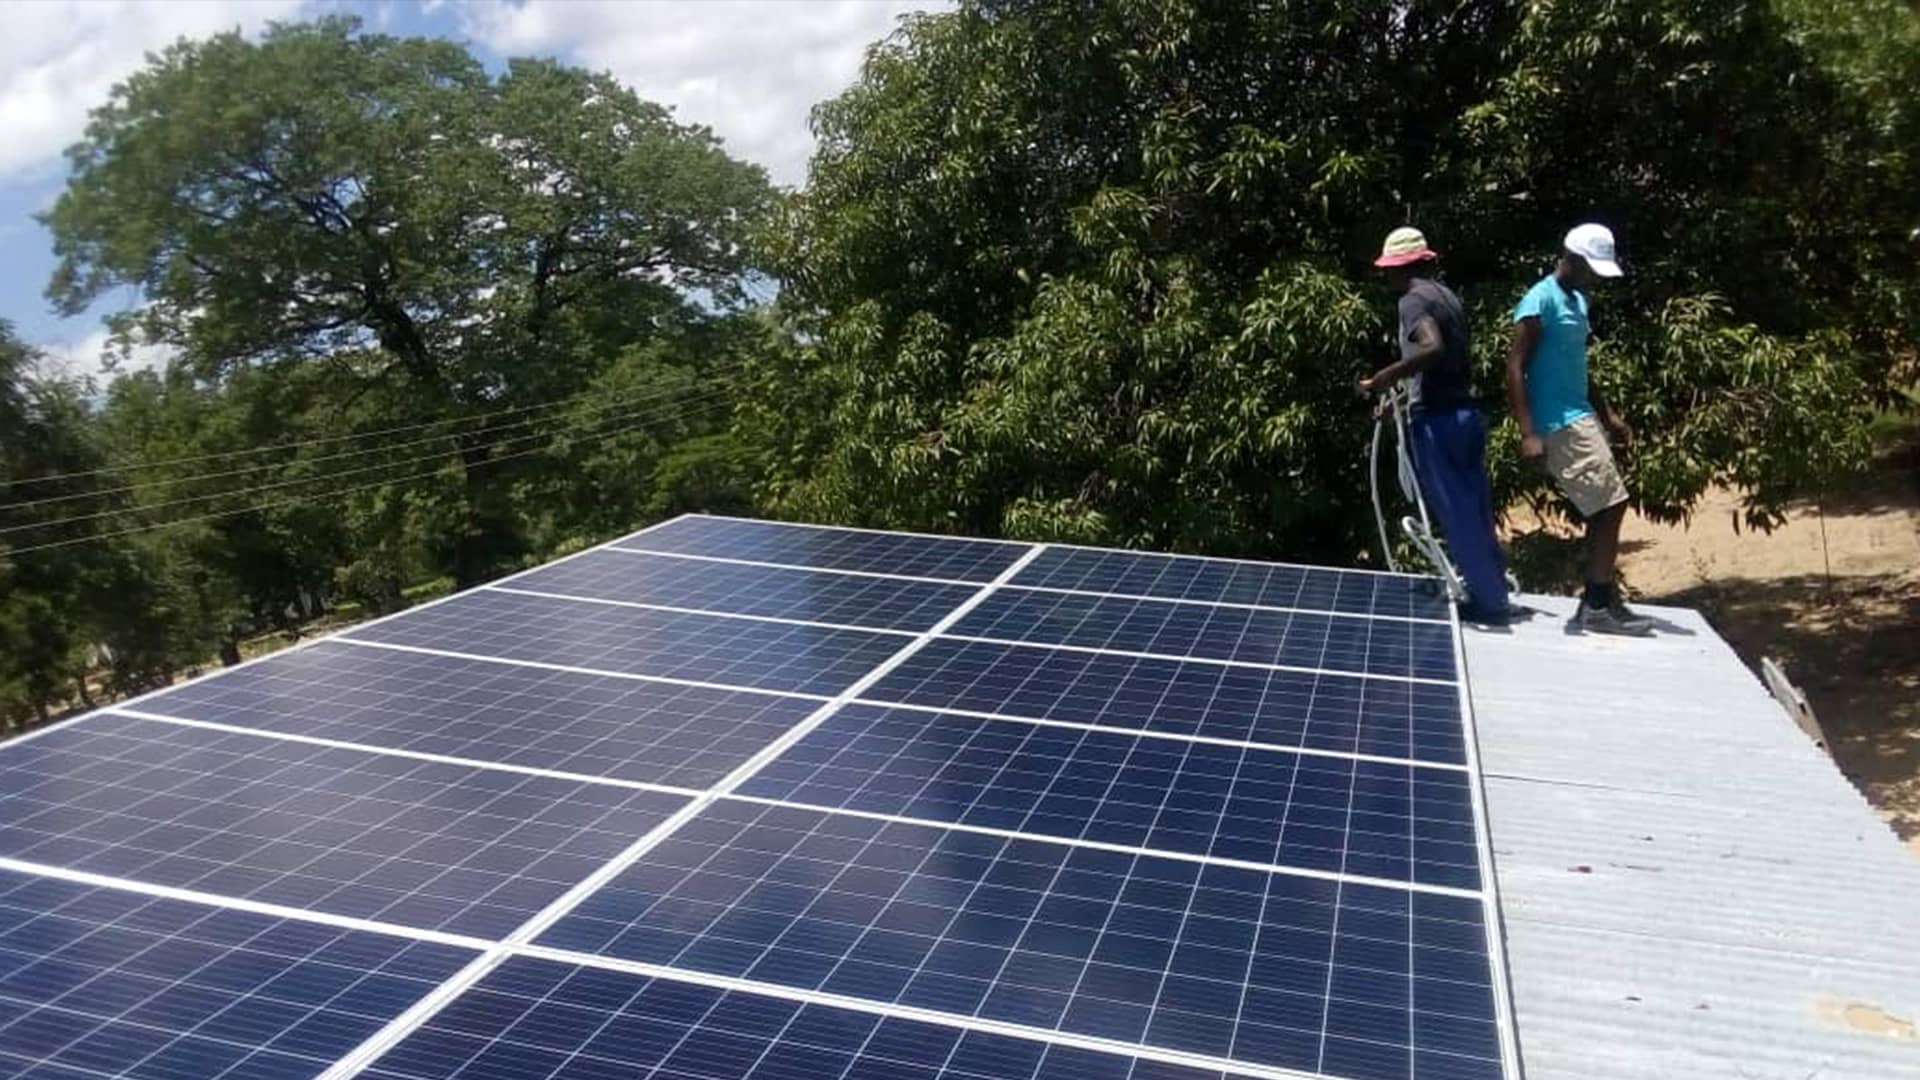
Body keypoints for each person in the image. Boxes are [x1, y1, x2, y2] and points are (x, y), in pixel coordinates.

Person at [1359, 226, 1516, 624]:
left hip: (1439, 422)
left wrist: (1385, 378)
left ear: (1402, 267)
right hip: (1464, 413)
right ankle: (1493, 586)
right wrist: (1399, 404)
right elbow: (1441, 364)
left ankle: (1489, 603)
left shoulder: (1412, 301)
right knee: (1476, 506)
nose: (1388, 278)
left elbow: (1431, 348)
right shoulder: (1446, 295)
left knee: (1456, 511)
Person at [1506, 223, 1653, 635]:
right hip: (1557, 420)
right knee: (1611, 505)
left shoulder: (1579, 300)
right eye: (1591, 268)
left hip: (1580, 414)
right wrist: (1528, 432)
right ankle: (1597, 604)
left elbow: (1578, 367)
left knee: (1607, 506)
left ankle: (1600, 597)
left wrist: (1608, 415)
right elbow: (1514, 367)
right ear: (1572, 258)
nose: (1594, 278)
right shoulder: (1540, 301)